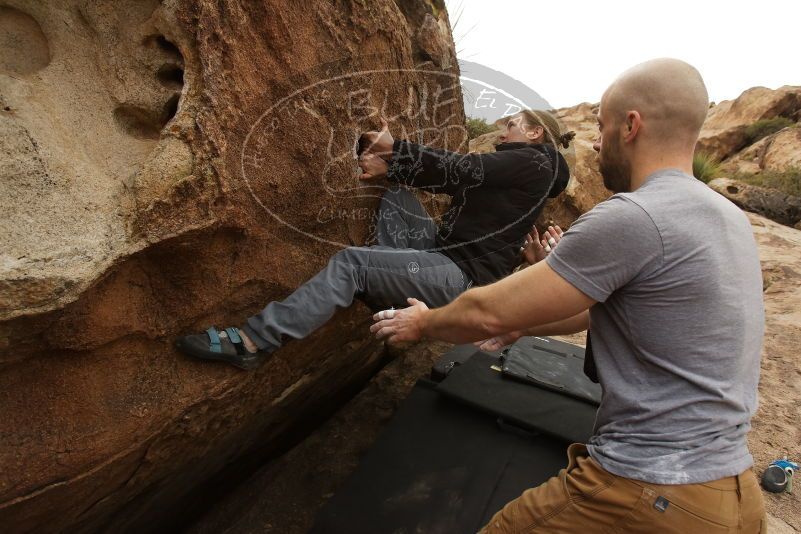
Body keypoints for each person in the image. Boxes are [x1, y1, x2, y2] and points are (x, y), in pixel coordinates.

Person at [370, 58, 766, 533]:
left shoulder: (635, 215)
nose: (596, 144)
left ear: (631, 125)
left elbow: (486, 310)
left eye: (601, 128)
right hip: (734, 493)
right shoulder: (728, 220)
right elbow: (607, 314)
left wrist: (423, 323)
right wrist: (526, 323)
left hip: (653, 488)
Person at [175, 110, 575, 370]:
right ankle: (388, 283)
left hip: (460, 279)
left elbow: (461, 167)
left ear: (535, 132)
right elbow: (451, 181)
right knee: (398, 194)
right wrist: (390, 168)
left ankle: (253, 341)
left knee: (354, 262)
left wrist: (393, 147)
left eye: (511, 126)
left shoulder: (537, 160)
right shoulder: (528, 173)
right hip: (443, 256)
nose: (502, 133)